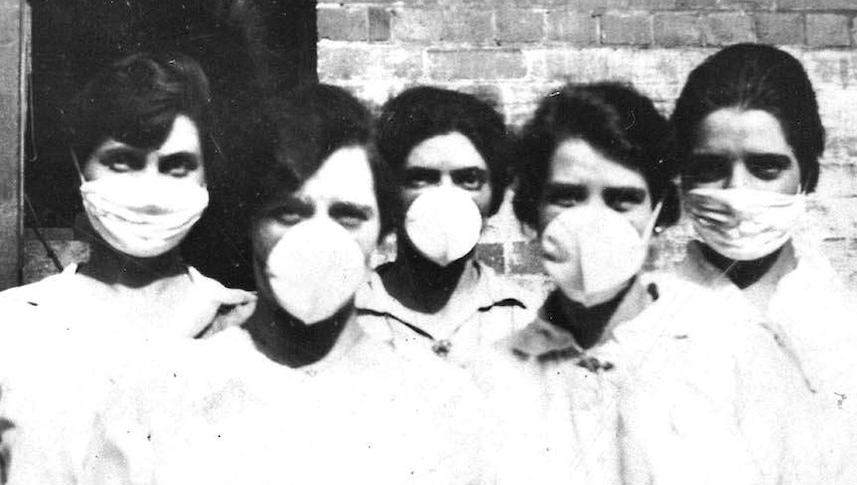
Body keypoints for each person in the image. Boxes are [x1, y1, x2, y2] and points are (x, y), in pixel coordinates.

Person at [81, 84, 484, 485]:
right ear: (251, 222)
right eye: (290, 213)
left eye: (348, 215)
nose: (319, 238)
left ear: (382, 229)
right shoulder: (160, 395)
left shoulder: (441, 402)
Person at [472, 82, 805, 485]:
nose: (593, 221)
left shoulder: (732, 347)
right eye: (568, 197)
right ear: (532, 211)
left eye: (622, 199)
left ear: (659, 214)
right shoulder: (493, 375)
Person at [0, 52, 254, 485]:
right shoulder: (14, 326)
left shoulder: (245, 324)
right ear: (81, 168)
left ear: (206, 176)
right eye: (123, 162)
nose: (151, 190)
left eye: (178, 167)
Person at [667, 43, 857, 482]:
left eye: (766, 168)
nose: (737, 191)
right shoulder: (643, 325)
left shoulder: (851, 327)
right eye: (710, 167)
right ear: (682, 176)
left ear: (807, 176)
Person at [356, 86, 537, 367]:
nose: (445, 197)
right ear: (390, 191)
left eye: (468, 179)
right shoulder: (348, 319)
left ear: (495, 194)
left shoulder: (526, 318)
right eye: (422, 178)